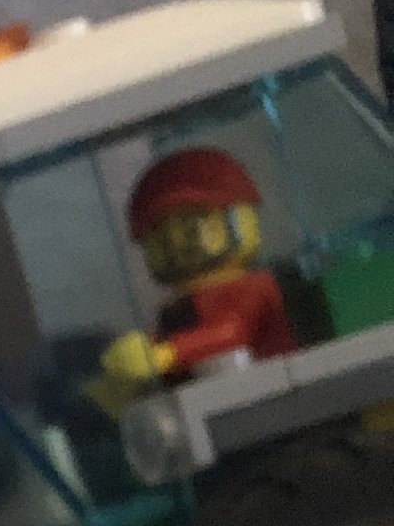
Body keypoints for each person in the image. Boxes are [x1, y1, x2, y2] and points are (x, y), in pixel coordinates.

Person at [100, 145, 296, 386]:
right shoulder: (176, 311)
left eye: (191, 228)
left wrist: (167, 354)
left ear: (239, 219)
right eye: (161, 237)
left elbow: (232, 332)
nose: (176, 243)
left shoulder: (254, 288)